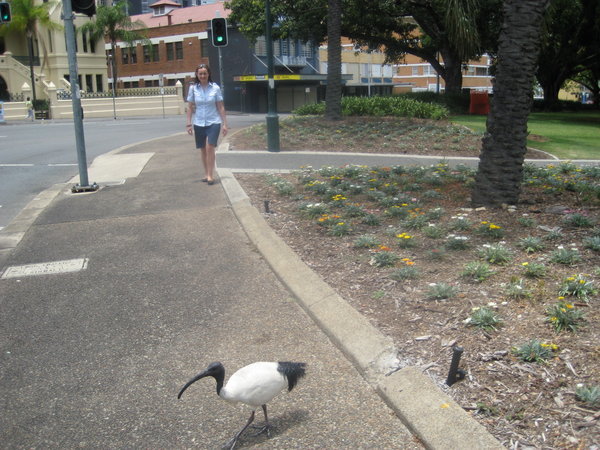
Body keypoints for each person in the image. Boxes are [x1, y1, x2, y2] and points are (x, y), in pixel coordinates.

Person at [186, 64, 228, 185]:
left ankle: (210, 174)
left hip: (213, 121)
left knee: (210, 147)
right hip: (198, 122)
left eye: (205, 73)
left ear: (208, 74)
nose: (203, 76)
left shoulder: (215, 88)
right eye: (200, 74)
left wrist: (225, 124)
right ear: (197, 75)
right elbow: (190, 107)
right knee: (203, 149)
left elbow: (221, 106)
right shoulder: (193, 89)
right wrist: (188, 124)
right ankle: (206, 173)